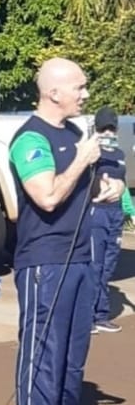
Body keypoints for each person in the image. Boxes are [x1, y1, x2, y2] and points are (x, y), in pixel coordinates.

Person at [9, 57, 124, 405]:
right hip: (45, 260)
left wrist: (108, 187)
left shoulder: (75, 134)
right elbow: (47, 197)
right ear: (53, 92)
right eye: (79, 86)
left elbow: (86, 187)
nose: (86, 94)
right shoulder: (30, 140)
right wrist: (80, 159)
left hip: (81, 257)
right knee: (44, 347)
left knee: (74, 349)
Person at [90, 106, 126, 334]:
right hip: (96, 212)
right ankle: (88, 316)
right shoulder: (91, 153)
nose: (108, 133)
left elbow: (123, 186)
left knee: (108, 265)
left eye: (111, 129)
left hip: (116, 212)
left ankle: (101, 315)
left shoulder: (120, 155)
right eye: (103, 129)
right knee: (94, 265)